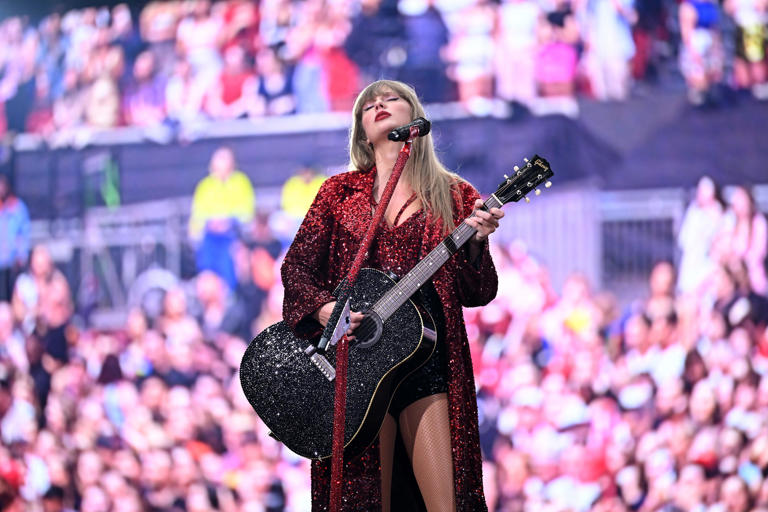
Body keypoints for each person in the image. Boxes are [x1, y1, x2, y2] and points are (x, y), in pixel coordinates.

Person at [280, 79, 504, 511]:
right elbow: (297, 268)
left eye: (392, 99)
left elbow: (477, 292)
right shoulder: (337, 192)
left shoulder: (456, 194)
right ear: (363, 132)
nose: (380, 105)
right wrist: (325, 310)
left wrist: (476, 244)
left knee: (447, 503)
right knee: (363, 501)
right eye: (369, 105)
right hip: (358, 366)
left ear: (415, 117)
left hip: (427, 360)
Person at [189, 146, 255, 290]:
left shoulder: (241, 182)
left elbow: (247, 214)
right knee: (206, 274)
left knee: (234, 266)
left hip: (232, 238)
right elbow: (197, 217)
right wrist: (209, 224)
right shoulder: (204, 186)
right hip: (209, 240)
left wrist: (229, 221)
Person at [0, 175, 29, 303]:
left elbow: (24, 232)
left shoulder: (16, 207)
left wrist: (22, 254)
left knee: (12, 296)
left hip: (11, 262)